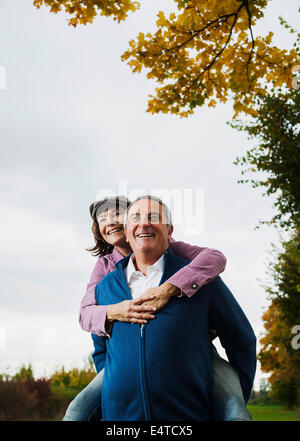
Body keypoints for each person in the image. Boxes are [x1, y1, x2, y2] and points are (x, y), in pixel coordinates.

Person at [63, 196, 251, 421]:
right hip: (123, 373)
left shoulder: (177, 252)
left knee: (235, 411)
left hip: (195, 356)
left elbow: (215, 258)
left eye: (116, 214)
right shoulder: (105, 272)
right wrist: (115, 313)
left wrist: (170, 289)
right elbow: (88, 317)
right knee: (76, 412)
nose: (110, 222)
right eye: (102, 219)